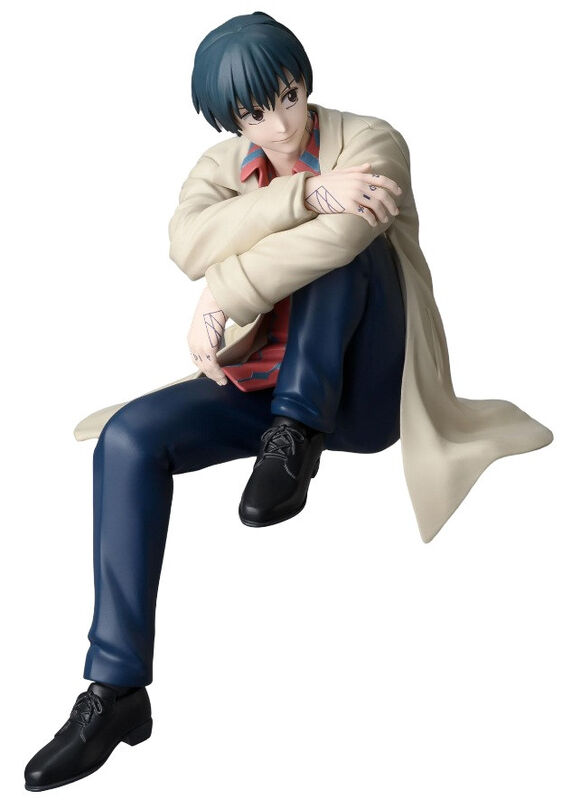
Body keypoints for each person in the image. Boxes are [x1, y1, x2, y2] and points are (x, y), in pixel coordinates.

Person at [24, 10, 553, 792]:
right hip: (258, 381)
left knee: (352, 237)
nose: (277, 124)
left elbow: (339, 238)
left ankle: (297, 436)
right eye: (253, 113)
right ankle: (116, 691)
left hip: (361, 391)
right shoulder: (217, 166)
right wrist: (304, 194)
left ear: (305, 83)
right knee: (127, 440)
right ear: (228, 119)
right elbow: (185, 245)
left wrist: (222, 292)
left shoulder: (369, 139)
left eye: (288, 98)